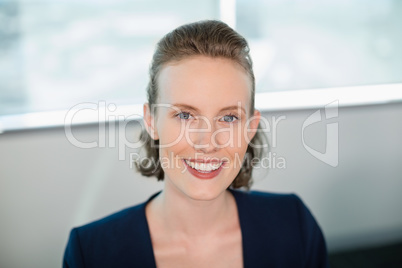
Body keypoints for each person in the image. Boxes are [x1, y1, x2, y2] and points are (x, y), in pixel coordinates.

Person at [63, 20, 328, 268]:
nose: (207, 142)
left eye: (228, 117)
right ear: (151, 121)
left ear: (250, 127)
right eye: (185, 115)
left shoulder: (295, 226)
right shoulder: (91, 253)